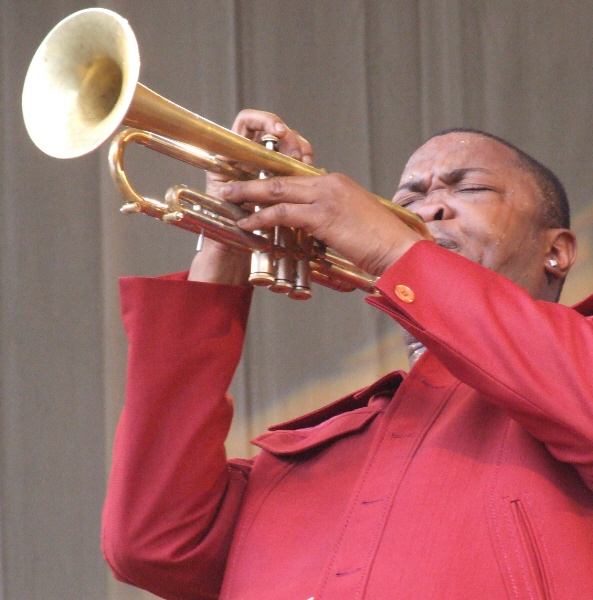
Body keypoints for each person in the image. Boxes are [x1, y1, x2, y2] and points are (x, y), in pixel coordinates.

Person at [101, 110, 593, 600]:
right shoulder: (305, 458)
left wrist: (392, 248)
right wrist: (223, 254)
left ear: (558, 251)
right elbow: (154, 543)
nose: (429, 209)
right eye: (409, 198)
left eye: (468, 189)